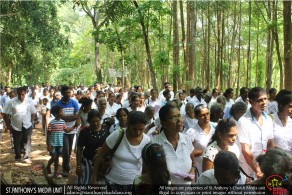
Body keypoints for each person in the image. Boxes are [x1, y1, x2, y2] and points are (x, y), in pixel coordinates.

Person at [91, 111, 150, 191]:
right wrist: (93, 179)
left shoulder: (147, 140)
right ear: (128, 125)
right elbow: (100, 156)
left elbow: (146, 165)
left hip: (134, 185)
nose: (138, 132)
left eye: (141, 129)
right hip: (111, 183)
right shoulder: (117, 135)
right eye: (134, 129)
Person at [237, 87, 274, 179]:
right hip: (247, 170)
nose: (264, 102)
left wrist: (267, 165)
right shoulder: (243, 121)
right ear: (250, 102)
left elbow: (270, 143)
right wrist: (257, 170)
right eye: (259, 100)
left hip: (263, 167)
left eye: (265, 99)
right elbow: (245, 150)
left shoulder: (268, 120)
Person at [153, 104, 194, 184]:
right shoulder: (155, 145)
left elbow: (193, 163)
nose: (179, 120)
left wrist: (192, 171)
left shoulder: (186, 140)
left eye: (179, 115)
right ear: (163, 123)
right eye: (174, 118)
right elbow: (150, 173)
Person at [76, 109, 111, 184]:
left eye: (97, 121)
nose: (95, 123)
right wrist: (78, 165)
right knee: (87, 182)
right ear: (88, 121)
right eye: (92, 121)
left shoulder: (106, 129)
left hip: (103, 163)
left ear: (100, 120)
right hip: (88, 162)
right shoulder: (84, 132)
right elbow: (79, 149)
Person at [3, 87, 36, 163]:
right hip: (15, 125)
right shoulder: (11, 102)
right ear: (17, 94)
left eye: (23, 94)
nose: (21, 96)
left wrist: (31, 122)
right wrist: (8, 125)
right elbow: (6, 114)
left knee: (27, 141)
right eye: (19, 95)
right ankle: (18, 156)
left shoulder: (29, 101)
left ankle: (26, 157)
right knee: (16, 141)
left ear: (25, 93)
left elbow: (33, 112)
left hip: (27, 125)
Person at [55, 85, 80, 177]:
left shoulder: (74, 103)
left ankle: (66, 163)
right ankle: (66, 169)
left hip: (73, 129)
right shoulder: (58, 104)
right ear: (62, 94)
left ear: (71, 93)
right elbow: (60, 117)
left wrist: (66, 118)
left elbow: (77, 116)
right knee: (65, 149)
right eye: (65, 93)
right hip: (62, 130)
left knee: (69, 149)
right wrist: (71, 117)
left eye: (69, 92)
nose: (67, 94)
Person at [46, 106, 77, 179]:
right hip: (53, 143)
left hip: (60, 143)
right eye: (61, 111)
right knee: (53, 157)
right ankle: (48, 167)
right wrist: (48, 144)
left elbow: (67, 130)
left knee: (57, 158)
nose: (62, 113)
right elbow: (49, 134)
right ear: (56, 114)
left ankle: (56, 172)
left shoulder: (62, 122)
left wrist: (74, 126)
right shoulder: (51, 123)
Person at [186, 104, 216, 175]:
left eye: (207, 114)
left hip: (215, 167)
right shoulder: (191, 132)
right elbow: (186, 152)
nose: (206, 117)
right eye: (202, 115)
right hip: (199, 168)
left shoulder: (215, 127)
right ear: (196, 117)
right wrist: (205, 152)